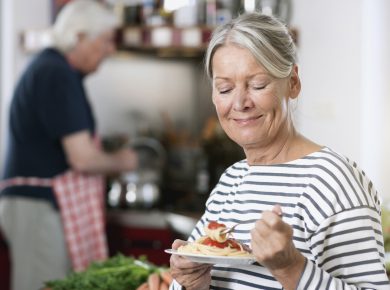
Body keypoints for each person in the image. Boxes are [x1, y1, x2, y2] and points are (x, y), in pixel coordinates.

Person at [169, 12, 390, 289]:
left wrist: (291, 268)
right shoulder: (231, 182)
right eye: (224, 89)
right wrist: (190, 283)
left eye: (258, 85)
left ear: (293, 83)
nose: (239, 103)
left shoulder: (332, 181)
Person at [0, 1, 138, 290]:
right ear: (79, 37)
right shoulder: (56, 73)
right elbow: (83, 159)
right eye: (105, 40)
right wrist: (125, 161)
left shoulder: (53, 69)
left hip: (37, 205)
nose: (110, 49)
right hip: (38, 207)